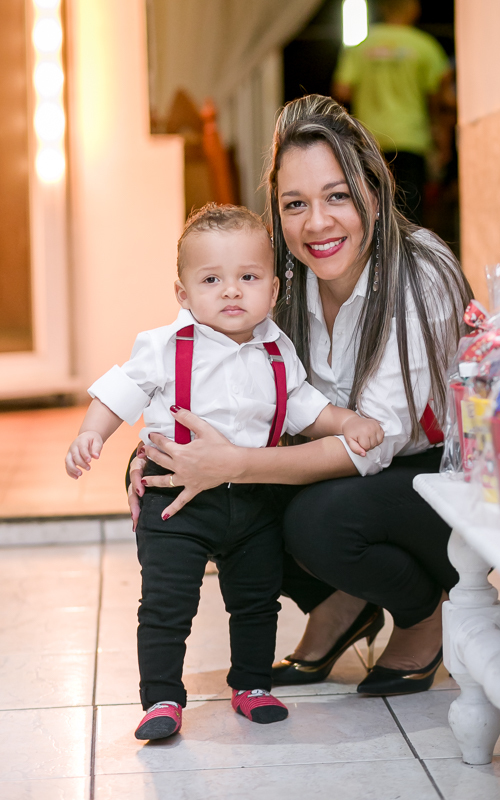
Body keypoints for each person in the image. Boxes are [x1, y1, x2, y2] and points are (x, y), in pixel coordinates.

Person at [128, 95, 472, 699]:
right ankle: (347, 604)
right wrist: (162, 450)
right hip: (358, 476)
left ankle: (422, 616)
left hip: (437, 481)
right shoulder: (277, 283)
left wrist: (233, 464)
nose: (317, 223)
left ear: (375, 187)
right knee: (214, 502)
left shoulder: (419, 272)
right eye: (295, 204)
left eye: (337, 195)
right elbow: (216, 378)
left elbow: (375, 448)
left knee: (314, 519)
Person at [65, 203, 384, 739]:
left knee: (255, 600)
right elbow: (120, 390)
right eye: (212, 279)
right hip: (176, 501)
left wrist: (347, 421)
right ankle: (162, 698)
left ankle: (252, 684)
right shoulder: (166, 346)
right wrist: (90, 432)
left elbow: (304, 407)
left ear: (274, 289)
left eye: (248, 277)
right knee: (168, 603)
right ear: (183, 293)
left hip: (253, 501)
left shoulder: (277, 350)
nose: (232, 291)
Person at [332, 0, 449, 224]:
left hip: (369, 142)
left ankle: (374, 259)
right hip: (410, 140)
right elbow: (439, 100)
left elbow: (342, 90)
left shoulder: (361, 46)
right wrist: (440, 141)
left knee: (371, 212)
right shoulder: (425, 46)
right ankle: (407, 260)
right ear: (413, 8)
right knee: (410, 215)